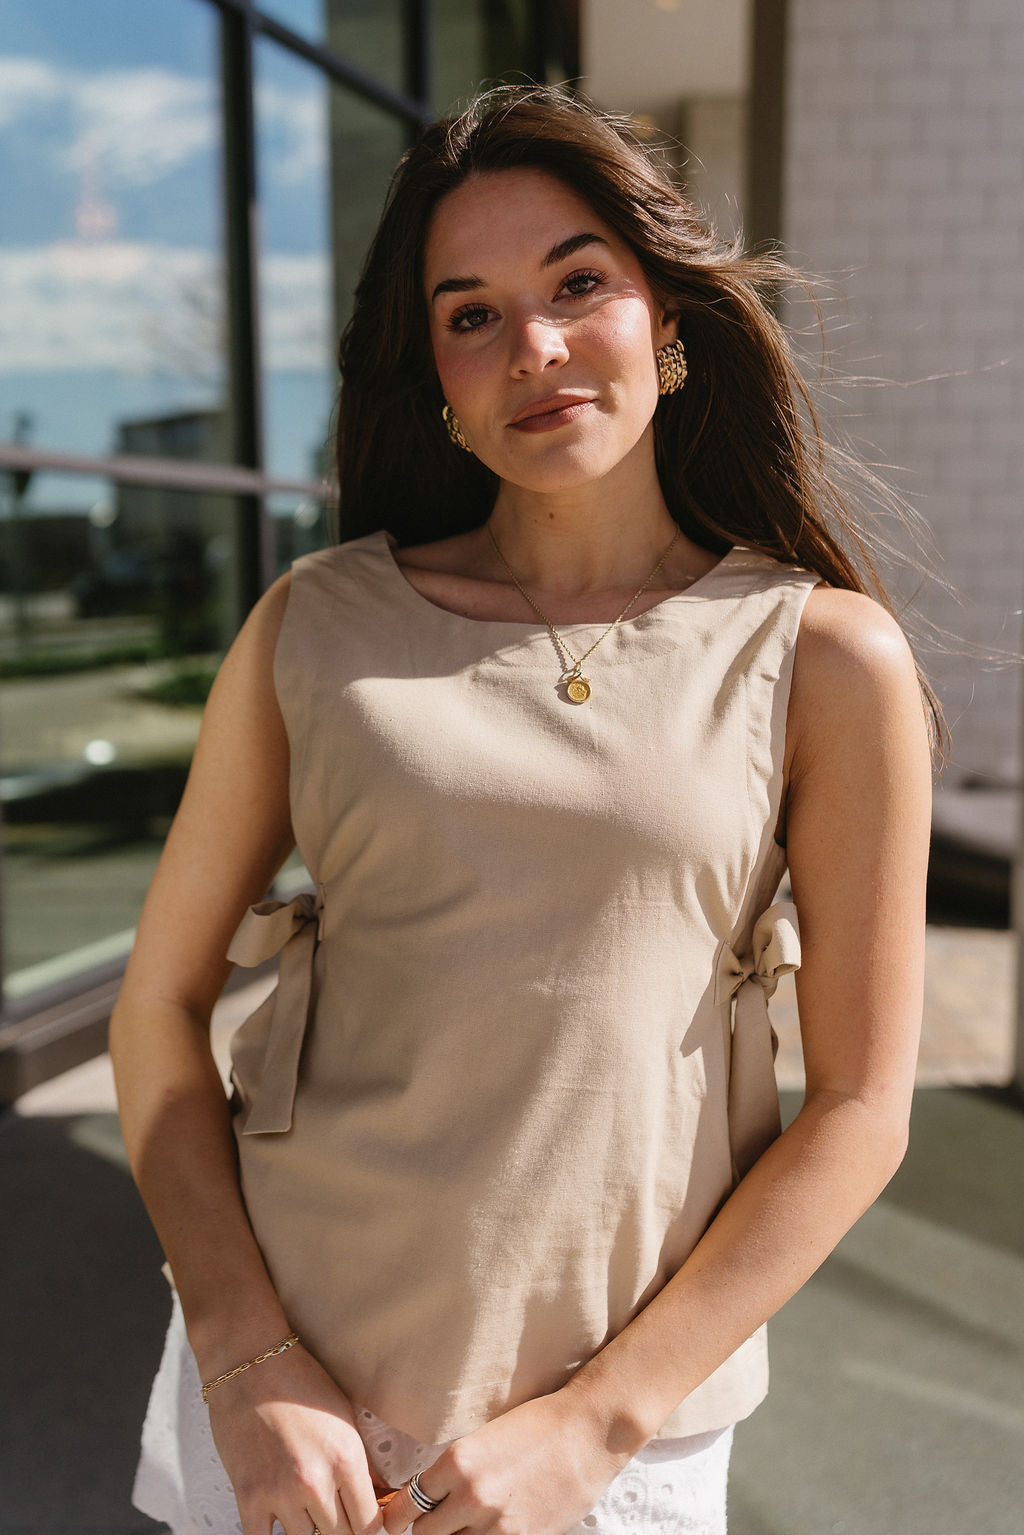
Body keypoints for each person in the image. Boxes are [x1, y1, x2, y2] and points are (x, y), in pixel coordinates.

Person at [111, 84, 937, 1535]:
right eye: (472, 312)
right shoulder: (314, 625)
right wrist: (247, 1368)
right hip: (286, 1411)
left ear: (668, 319)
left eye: (578, 283)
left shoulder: (821, 659)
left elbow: (863, 1112)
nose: (537, 345)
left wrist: (594, 1424)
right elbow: (157, 1012)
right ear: (432, 370)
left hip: (605, 1443)